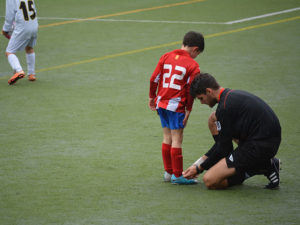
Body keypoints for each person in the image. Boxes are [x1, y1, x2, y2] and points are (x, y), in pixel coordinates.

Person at [183, 73, 281, 189]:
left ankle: (262, 166)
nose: (202, 102)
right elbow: (222, 144)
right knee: (213, 119)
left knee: (210, 180)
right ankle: (255, 162)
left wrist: (200, 168)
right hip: (266, 139)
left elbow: (225, 149)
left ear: (209, 91)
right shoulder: (229, 96)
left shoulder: (224, 108)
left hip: (260, 146)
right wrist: (199, 163)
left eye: (201, 98)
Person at [148, 31, 205, 184]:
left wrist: (152, 97)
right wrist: (188, 110)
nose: (196, 57)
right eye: (197, 54)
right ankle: (178, 175)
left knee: (167, 137)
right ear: (195, 49)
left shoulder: (166, 56)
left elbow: (154, 78)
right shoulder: (193, 65)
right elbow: (190, 90)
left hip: (161, 102)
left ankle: (168, 172)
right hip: (176, 105)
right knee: (177, 139)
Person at [2, 0, 38, 85]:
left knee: (9, 52)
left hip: (22, 27)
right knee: (29, 47)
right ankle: (31, 74)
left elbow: (9, 15)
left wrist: (6, 29)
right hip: (34, 24)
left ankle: (19, 70)